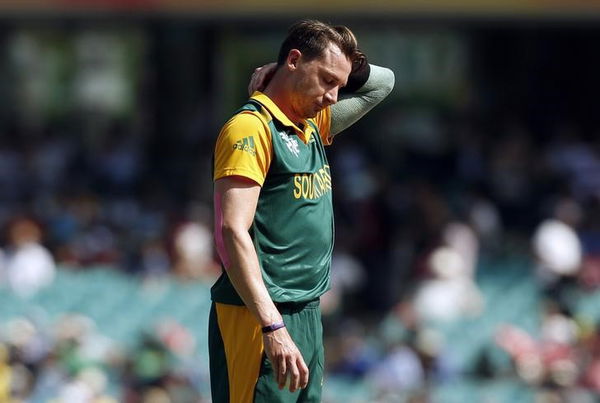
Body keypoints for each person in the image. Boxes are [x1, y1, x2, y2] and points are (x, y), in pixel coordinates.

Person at [209, 19, 394, 403]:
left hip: (307, 310)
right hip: (259, 315)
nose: (332, 96)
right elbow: (232, 230)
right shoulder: (250, 128)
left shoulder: (311, 124)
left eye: (340, 86)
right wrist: (272, 324)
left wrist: (338, 67)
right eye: (327, 80)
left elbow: (384, 82)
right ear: (294, 60)